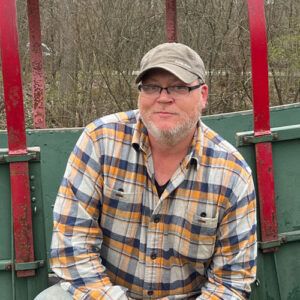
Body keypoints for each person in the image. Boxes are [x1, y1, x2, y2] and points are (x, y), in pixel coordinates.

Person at [36, 43, 257, 300]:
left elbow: (230, 283)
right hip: (107, 292)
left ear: (203, 94)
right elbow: (72, 245)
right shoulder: (100, 141)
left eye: (179, 87)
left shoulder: (232, 172)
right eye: (151, 87)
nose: (163, 97)